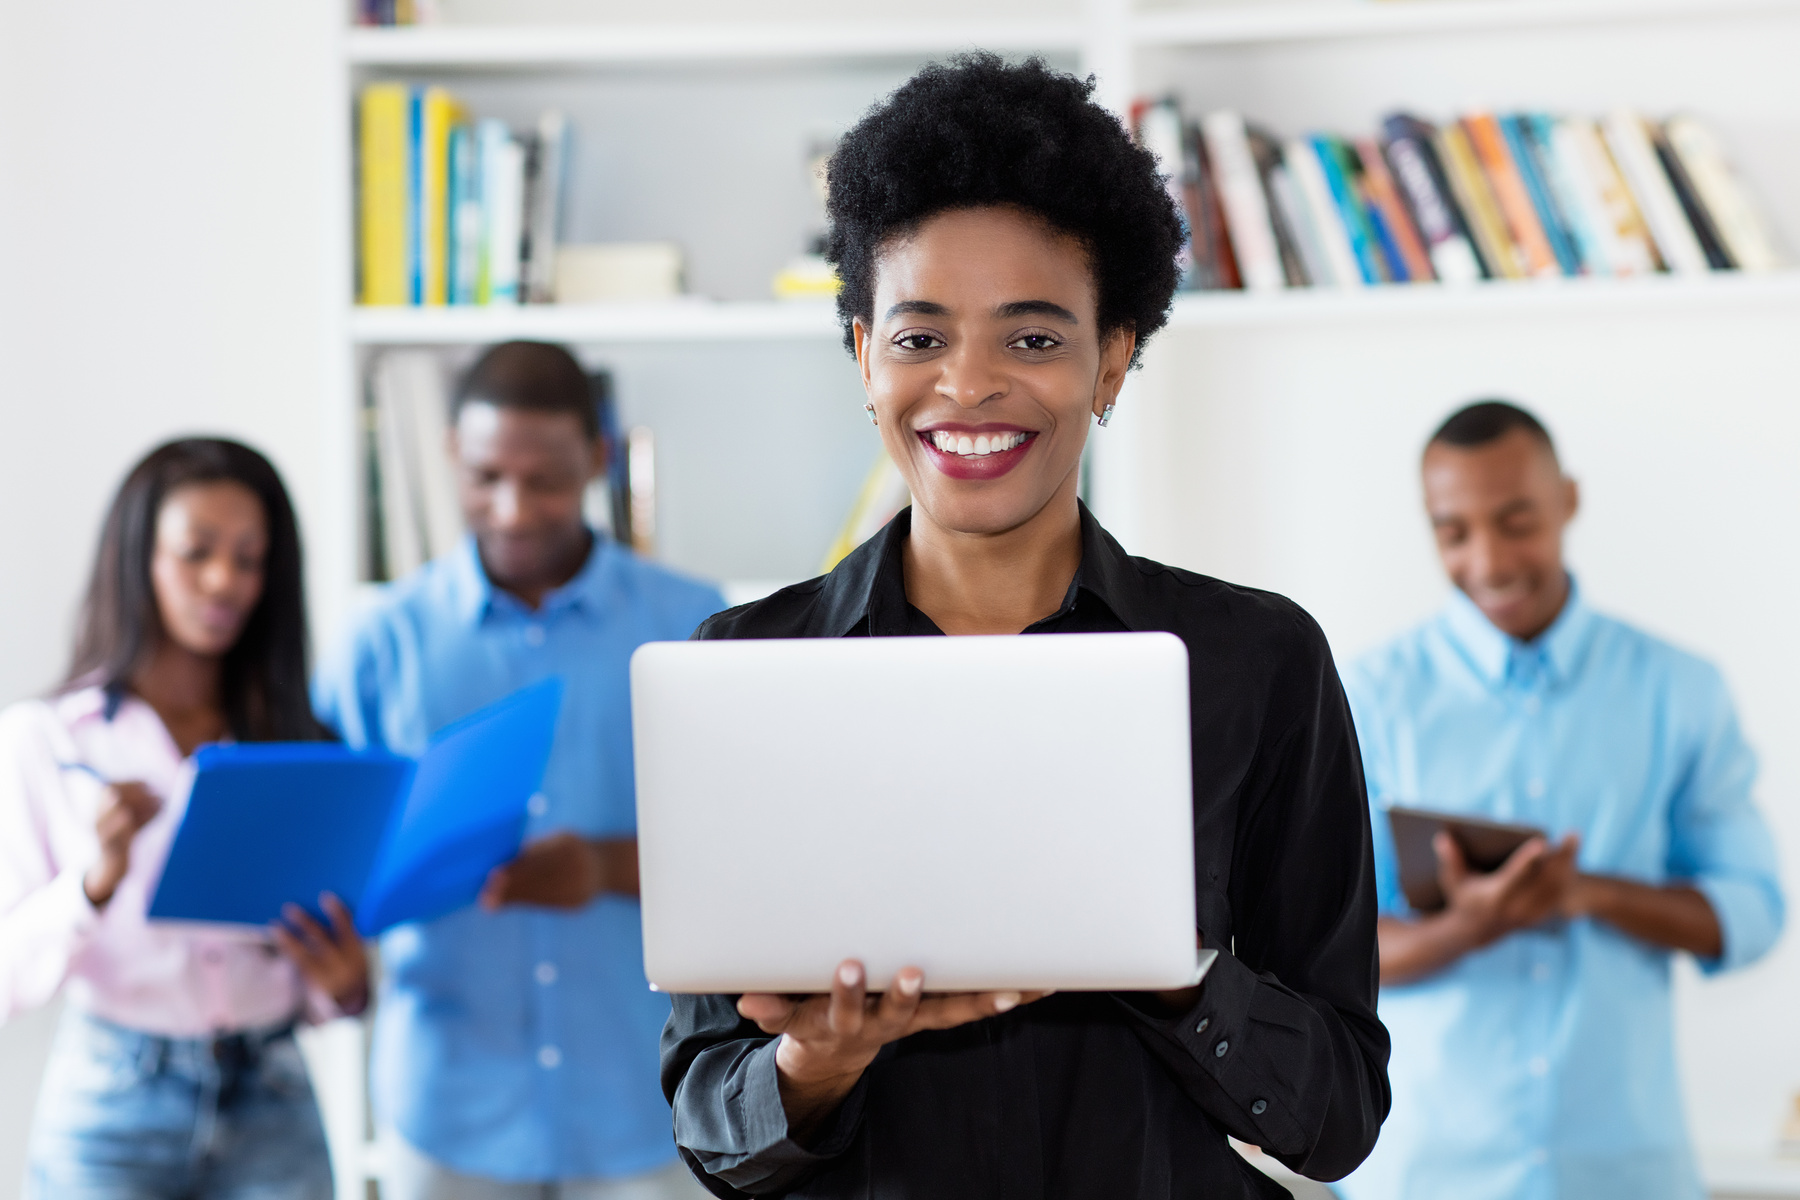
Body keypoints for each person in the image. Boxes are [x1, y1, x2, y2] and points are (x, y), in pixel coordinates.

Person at [661, 55, 1390, 1199]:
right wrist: (819, 1061)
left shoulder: (1257, 664)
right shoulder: (748, 671)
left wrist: (1175, 974)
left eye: (1035, 339)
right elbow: (714, 1128)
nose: (969, 384)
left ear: (1112, 358)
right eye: (919, 338)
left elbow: (1338, 1115)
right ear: (862, 355)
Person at [1336, 400, 1784, 1200]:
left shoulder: (1678, 690)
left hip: (1627, 1173)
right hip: (1423, 1176)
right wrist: (1471, 927)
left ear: (1567, 501)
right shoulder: (1368, 698)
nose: (1490, 560)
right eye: (1454, 532)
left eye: (1517, 521)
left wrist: (1587, 893)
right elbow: (1330, 950)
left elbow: (1751, 914)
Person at [314, 340, 726, 1199]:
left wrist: (604, 867)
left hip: (643, 1102)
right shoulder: (381, 642)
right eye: (485, 476)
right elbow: (334, 862)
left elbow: (750, 854)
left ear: (598, 459)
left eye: (544, 479)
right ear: (449, 460)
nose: (512, 509)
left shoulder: (693, 623)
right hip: (450, 1105)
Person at [0, 438, 369, 1200]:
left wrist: (345, 985)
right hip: (113, 1100)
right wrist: (93, 883)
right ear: (138, 558)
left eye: (249, 558)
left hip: (272, 1090)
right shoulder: (49, 739)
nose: (223, 581)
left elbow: (321, 968)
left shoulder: (303, 745)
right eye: (195, 551)